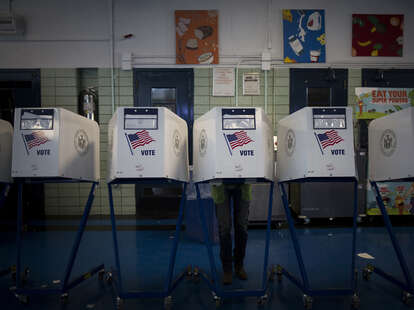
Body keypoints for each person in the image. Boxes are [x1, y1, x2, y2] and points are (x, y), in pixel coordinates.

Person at [211, 183, 251, 285]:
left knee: (242, 226)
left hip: (243, 181)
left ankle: (239, 266)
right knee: (224, 227)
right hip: (220, 182)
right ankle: (227, 269)